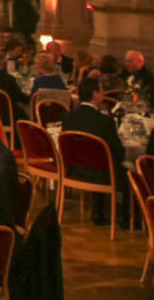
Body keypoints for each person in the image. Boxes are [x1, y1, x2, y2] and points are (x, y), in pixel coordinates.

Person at [60, 77, 126, 225]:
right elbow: (119, 153)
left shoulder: (68, 116)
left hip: (74, 170)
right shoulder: (105, 121)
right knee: (129, 174)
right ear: (95, 94)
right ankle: (128, 220)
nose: (102, 94)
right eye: (101, 91)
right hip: (100, 174)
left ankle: (99, 212)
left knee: (99, 160)